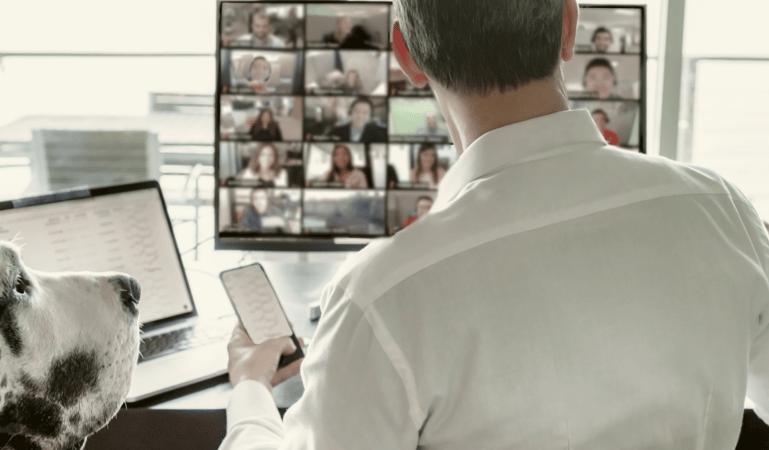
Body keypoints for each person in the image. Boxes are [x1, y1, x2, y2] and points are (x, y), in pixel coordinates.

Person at [222, 0, 769, 449]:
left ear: (406, 57)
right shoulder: (724, 211)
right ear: (569, 25)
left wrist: (249, 389)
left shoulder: (383, 296)